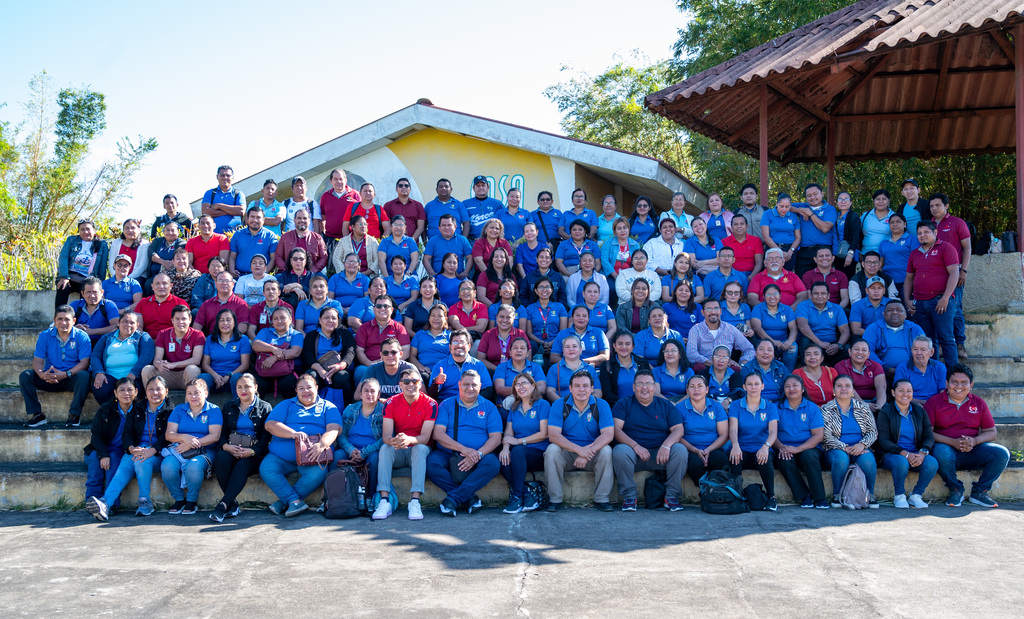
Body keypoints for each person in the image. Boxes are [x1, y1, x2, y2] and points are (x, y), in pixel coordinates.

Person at [84, 376, 173, 520]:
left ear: (166, 391)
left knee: (140, 461)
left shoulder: (171, 411)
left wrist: (151, 450)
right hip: (137, 450)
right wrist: (131, 448)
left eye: (158, 389)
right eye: (151, 389)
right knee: (124, 465)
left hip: (158, 452)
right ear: (145, 391)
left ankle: (145, 502)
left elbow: (167, 437)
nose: (154, 392)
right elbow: (127, 433)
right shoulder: (138, 408)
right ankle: (106, 503)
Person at [925, 364, 1010, 508]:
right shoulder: (934, 402)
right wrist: (952, 442)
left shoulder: (979, 403)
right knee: (940, 452)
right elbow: (927, 433)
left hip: (973, 450)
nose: (959, 386)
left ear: (971, 385)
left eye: (964, 382)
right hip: (947, 451)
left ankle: (980, 492)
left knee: (1002, 453)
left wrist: (974, 441)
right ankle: (955, 489)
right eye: (954, 382)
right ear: (946, 383)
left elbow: (991, 432)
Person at [260, 373, 343, 517]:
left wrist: (322, 445)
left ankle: (287, 501)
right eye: (301, 388)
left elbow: (334, 429)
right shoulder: (286, 404)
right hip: (281, 456)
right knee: (267, 469)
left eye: (309, 387)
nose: (306, 391)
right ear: (296, 391)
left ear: (317, 388)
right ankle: (293, 500)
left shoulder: (328, 407)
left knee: (318, 473)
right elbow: (270, 425)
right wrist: (292, 433)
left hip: (312, 456)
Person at [428, 370, 503, 516]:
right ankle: (469, 498)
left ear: (480, 386)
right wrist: (464, 449)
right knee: (431, 463)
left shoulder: (489, 407)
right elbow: (438, 433)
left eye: (474, 385)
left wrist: (478, 454)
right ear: (459, 385)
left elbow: (496, 437)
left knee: (493, 464)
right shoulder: (447, 405)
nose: (470, 388)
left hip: (480, 453)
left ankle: (454, 499)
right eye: (466, 384)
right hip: (449, 452)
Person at [612, 370, 687, 511]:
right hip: (633, 455)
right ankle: (629, 497)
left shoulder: (665, 405)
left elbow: (678, 429)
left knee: (680, 450)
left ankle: (671, 496)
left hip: (660, 455)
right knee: (620, 450)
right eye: (640, 384)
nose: (644, 388)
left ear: (654, 387)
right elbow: (616, 430)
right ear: (634, 387)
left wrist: (666, 446)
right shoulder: (624, 404)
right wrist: (635, 446)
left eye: (648, 384)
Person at [544, 370, 615, 512]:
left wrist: (587, 452)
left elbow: (608, 434)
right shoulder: (559, 404)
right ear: (570, 388)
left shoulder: (601, 405)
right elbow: (553, 435)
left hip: (591, 454)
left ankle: (602, 498)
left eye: (585, 386)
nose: (581, 390)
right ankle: (555, 499)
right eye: (577, 386)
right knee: (551, 450)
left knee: (606, 450)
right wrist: (578, 450)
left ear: (592, 388)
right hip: (568, 454)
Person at [372, 369, 437, 521]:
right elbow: (386, 436)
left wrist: (409, 439)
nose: (411, 385)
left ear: (420, 384)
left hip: (419, 446)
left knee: (420, 448)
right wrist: (397, 440)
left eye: (414, 381)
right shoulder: (390, 402)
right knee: (385, 448)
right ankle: (384, 500)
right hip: (400, 447)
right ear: (400, 384)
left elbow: (425, 437)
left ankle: (415, 501)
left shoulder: (431, 404)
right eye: (406, 382)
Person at [210, 373, 273, 522]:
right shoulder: (229, 406)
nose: (243, 390)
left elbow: (266, 437)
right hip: (232, 449)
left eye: (247, 386)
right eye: (239, 387)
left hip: (254, 453)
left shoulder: (265, 407)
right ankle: (232, 504)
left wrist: (252, 451)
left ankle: (223, 505)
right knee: (220, 459)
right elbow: (222, 433)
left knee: (242, 466)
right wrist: (226, 446)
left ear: (255, 388)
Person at [160, 378, 223, 515]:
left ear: (205, 393)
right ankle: (178, 499)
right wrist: (184, 438)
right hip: (180, 448)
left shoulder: (214, 410)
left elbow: (214, 436)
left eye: (197, 392)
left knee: (194, 466)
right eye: (189, 393)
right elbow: (169, 434)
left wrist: (191, 443)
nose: (193, 396)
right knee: (167, 466)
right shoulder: (179, 410)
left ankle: (191, 501)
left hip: (205, 450)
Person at [905, 220, 960, 367]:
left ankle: (952, 376)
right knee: (928, 342)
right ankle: (934, 375)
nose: (922, 235)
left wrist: (946, 298)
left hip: (940, 301)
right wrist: (907, 300)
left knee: (946, 338)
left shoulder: (946, 248)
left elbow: (955, 273)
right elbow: (909, 279)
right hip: (920, 303)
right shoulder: (914, 254)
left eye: (926, 232)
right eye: (920, 233)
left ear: (935, 233)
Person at [875, 379, 937, 509]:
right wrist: (905, 454)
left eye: (909, 391)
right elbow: (883, 440)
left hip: (915, 453)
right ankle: (899, 495)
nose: (905, 394)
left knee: (932, 463)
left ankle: (916, 495)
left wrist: (922, 453)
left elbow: (929, 436)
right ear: (893, 392)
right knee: (901, 462)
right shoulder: (886, 412)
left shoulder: (919, 411)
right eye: (901, 390)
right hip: (891, 454)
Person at [821, 375, 879, 508]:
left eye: (847, 386)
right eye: (839, 386)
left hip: (860, 447)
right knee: (841, 459)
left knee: (868, 460)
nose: (843, 389)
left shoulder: (863, 407)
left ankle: (870, 494)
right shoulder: (826, 409)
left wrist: (862, 444)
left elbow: (872, 431)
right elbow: (826, 435)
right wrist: (844, 447)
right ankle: (838, 495)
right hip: (835, 449)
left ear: (853, 391)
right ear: (834, 390)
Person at [498, 374, 550, 513]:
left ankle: (515, 496)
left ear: (533, 386)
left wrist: (518, 441)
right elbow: (509, 433)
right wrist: (505, 448)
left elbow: (544, 433)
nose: (520, 387)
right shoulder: (514, 408)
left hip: (538, 452)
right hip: (518, 454)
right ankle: (526, 493)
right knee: (503, 458)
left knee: (518, 451)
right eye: (517, 384)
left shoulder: (542, 404)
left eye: (524, 383)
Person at [728, 372, 780, 511]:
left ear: (762, 386)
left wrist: (766, 446)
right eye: (749, 384)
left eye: (756, 384)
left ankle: (771, 498)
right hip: (742, 447)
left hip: (761, 447)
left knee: (765, 457)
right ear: (744, 386)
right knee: (734, 457)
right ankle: (737, 496)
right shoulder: (736, 405)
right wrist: (735, 445)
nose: (753, 387)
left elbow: (773, 432)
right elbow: (732, 429)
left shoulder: (770, 406)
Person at [774, 375, 828, 508]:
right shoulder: (776, 407)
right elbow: (771, 433)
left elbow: (818, 435)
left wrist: (798, 449)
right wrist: (782, 447)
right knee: (783, 459)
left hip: (809, 447)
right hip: (784, 446)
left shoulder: (812, 407)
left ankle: (820, 498)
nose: (791, 389)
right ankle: (804, 496)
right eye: (787, 386)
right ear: (784, 390)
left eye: (795, 386)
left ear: (803, 389)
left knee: (809, 457)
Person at [83, 377, 136, 510]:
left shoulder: (139, 411)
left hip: (121, 451)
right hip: (99, 448)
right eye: (121, 390)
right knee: (95, 461)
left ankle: (110, 505)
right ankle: (92, 502)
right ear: (115, 393)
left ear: (136, 391)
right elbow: (96, 435)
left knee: (113, 465)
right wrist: (103, 454)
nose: (126, 393)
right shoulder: (105, 409)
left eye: (130, 390)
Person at [929, 193, 972, 356]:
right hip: (935, 273)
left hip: (955, 271)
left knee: (956, 308)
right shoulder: (929, 225)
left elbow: (967, 248)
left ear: (946, 206)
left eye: (937, 205)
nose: (934, 208)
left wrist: (964, 270)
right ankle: (939, 345)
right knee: (937, 307)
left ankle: (960, 344)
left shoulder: (957, 223)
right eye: (931, 206)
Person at [677, 374, 730, 489]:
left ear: (707, 389)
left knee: (720, 460)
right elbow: (677, 435)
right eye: (692, 386)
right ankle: (705, 491)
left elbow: (724, 434)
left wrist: (708, 450)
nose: (696, 390)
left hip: (713, 447)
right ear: (687, 390)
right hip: (690, 449)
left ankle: (717, 490)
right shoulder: (680, 408)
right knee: (694, 465)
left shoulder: (716, 406)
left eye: (700, 386)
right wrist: (696, 450)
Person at [90, 311, 154, 404]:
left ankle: (129, 415)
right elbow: (95, 356)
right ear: (118, 323)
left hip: (134, 376)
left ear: (137, 325)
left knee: (132, 392)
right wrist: (99, 372)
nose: (128, 325)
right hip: (110, 375)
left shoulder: (143, 337)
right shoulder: (107, 337)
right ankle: (111, 415)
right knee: (101, 389)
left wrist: (133, 374)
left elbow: (147, 356)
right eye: (124, 321)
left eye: (132, 322)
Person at [338, 378, 385, 502]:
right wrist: (350, 450)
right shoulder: (350, 410)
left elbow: (385, 438)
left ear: (378, 394)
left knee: (375, 458)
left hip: (371, 450)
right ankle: (333, 496)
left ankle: (370, 496)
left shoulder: (384, 412)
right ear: (360, 394)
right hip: (351, 449)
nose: (369, 394)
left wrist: (364, 453)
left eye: (373, 391)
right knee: (337, 455)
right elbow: (341, 435)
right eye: (366, 391)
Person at [141, 304, 204, 390]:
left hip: (186, 375)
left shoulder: (198, 335)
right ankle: (151, 401)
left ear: (190, 320)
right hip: (167, 374)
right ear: (172, 320)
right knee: (147, 370)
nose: (180, 322)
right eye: (177, 319)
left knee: (192, 369)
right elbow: (157, 358)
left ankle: (189, 402)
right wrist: (159, 364)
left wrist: (174, 365)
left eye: (184, 319)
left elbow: (196, 360)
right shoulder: (163, 334)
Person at [686, 298, 755, 372]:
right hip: (705, 366)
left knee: (736, 369)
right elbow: (691, 353)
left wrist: (742, 364)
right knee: (698, 368)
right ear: (702, 312)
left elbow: (749, 349)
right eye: (709, 309)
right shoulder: (695, 329)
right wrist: (713, 363)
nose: (713, 312)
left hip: (726, 367)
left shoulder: (730, 329)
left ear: (720, 311)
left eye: (716, 308)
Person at [55, 219, 109, 309]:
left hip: (87, 279)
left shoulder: (101, 244)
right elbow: (63, 257)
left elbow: (102, 267)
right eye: (82, 230)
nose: (85, 232)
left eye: (88, 229)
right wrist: (64, 276)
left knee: (87, 293)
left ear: (94, 230)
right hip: (69, 277)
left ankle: (81, 320)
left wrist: (100, 284)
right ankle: (58, 318)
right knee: (63, 288)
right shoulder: (72, 240)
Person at [251, 307, 303, 399]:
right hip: (265, 371)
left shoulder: (296, 334)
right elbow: (255, 345)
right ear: (272, 322)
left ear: (290, 320)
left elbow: (295, 352)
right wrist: (272, 349)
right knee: (256, 384)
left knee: (288, 383)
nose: (279, 321)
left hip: (288, 372)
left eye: (282, 318)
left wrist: (274, 358)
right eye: (275, 319)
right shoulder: (266, 332)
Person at [429, 329, 494, 401]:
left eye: (462, 342)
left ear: (469, 347)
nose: (459, 345)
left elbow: (488, 390)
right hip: (447, 404)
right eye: (455, 342)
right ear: (450, 347)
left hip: (472, 403)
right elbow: (432, 396)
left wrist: (472, 402)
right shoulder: (440, 366)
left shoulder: (478, 365)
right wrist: (436, 383)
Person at [863, 301, 926, 372]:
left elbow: (924, 350)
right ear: (884, 313)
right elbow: (867, 351)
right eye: (890, 310)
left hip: (911, 370)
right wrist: (884, 368)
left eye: (899, 310)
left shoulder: (915, 328)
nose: (895, 312)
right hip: (880, 371)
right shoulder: (873, 328)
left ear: (905, 314)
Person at [789, 183, 837, 277]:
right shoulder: (803, 206)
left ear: (822, 194)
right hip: (804, 252)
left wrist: (810, 214)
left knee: (822, 282)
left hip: (823, 251)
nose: (813, 197)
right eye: (809, 195)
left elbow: (825, 228)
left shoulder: (830, 209)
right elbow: (784, 205)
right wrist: (801, 211)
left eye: (815, 194)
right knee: (802, 281)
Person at [199, 308, 251, 395]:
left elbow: (245, 364)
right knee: (202, 378)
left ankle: (238, 407)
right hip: (215, 377)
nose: (225, 323)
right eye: (221, 320)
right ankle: (200, 408)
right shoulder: (210, 339)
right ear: (217, 323)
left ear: (234, 322)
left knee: (237, 378)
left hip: (233, 376)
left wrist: (229, 375)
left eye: (228, 320)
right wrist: (215, 376)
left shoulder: (243, 339)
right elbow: (205, 364)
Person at [796, 282, 850, 365]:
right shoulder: (803, 305)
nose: (820, 296)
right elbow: (802, 325)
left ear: (828, 295)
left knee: (848, 349)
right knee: (804, 341)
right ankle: (807, 371)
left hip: (831, 344)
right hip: (812, 343)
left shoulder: (837, 308)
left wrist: (838, 345)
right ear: (810, 295)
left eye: (823, 293)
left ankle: (834, 371)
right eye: (816, 293)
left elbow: (845, 330)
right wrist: (820, 343)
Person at [355, 295, 410, 373]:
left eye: (386, 306)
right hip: (369, 365)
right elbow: (359, 351)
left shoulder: (399, 328)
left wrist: (390, 363)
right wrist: (370, 364)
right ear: (374, 309)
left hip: (393, 364)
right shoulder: (364, 328)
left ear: (391, 309)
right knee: (360, 372)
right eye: (378, 306)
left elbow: (406, 351)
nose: (382, 308)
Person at [750, 284, 799, 370]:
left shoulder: (787, 309)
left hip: (783, 343)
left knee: (793, 347)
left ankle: (788, 374)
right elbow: (757, 328)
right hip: (763, 342)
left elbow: (793, 328)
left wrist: (789, 342)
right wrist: (773, 342)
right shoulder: (758, 308)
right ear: (764, 297)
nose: (772, 297)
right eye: (768, 294)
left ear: (780, 296)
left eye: (775, 294)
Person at [545, 335, 601, 401]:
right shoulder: (554, 369)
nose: (571, 349)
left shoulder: (590, 369)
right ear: (563, 350)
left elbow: (597, 391)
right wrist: (563, 405)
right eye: (567, 347)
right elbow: (550, 391)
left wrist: (588, 404)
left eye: (574, 346)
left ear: (580, 349)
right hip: (563, 407)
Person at [835, 340, 887, 412]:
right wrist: (863, 405)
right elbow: (847, 388)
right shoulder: (841, 366)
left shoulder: (875, 365)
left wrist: (879, 405)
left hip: (874, 401)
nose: (860, 352)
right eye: (856, 349)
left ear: (868, 354)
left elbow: (881, 386)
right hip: (851, 401)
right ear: (850, 351)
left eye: (864, 350)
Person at [894, 336, 947, 406]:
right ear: (911, 351)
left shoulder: (939, 367)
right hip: (910, 405)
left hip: (935, 406)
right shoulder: (902, 368)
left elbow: (943, 393)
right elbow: (900, 395)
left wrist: (931, 405)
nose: (919, 353)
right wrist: (921, 404)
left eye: (923, 349)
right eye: (915, 349)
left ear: (931, 352)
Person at [525, 277, 568, 361]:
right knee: (530, 344)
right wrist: (542, 343)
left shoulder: (560, 307)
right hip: (537, 344)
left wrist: (552, 343)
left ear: (552, 290)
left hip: (556, 342)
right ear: (536, 291)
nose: (544, 290)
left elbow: (563, 331)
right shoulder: (529, 309)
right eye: (541, 287)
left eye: (547, 287)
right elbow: (529, 333)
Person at [274, 208, 328, 274]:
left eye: (305, 218)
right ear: (294, 220)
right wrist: (287, 270)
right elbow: (278, 256)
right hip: (288, 273)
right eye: (299, 218)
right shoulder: (285, 237)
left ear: (309, 220)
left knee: (324, 281)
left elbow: (324, 258)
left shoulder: (317, 238)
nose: (302, 220)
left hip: (312, 273)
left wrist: (312, 271)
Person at [598, 330, 650, 400]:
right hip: (618, 406)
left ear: (633, 347)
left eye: (627, 344)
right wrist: (624, 405)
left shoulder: (642, 363)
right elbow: (607, 393)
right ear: (614, 346)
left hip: (641, 405)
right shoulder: (607, 365)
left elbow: (648, 387)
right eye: (620, 344)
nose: (624, 347)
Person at [494, 337, 547, 404]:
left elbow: (542, 388)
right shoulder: (501, 367)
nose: (518, 350)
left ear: (528, 353)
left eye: (522, 348)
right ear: (510, 352)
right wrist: (523, 390)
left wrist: (522, 391)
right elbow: (499, 389)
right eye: (515, 348)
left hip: (531, 402)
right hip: (508, 404)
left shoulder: (536, 367)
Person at [316, 169, 361, 248]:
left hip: (352, 238)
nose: (338, 181)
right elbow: (323, 217)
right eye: (335, 179)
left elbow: (361, 216)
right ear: (331, 181)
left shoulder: (355, 195)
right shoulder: (325, 196)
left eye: (341, 179)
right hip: (330, 239)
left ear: (345, 180)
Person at [879, 212, 918, 301]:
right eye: (892, 222)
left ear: (905, 224)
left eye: (898, 222)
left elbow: (917, 261)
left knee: (908, 309)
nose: (895, 224)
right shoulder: (883, 243)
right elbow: (881, 265)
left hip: (907, 281)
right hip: (888, 282)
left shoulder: (912, 239)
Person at [363, 337, 418, 402]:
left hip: (404, 407)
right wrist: (380, 400)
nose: (390, 355)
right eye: (385, 353)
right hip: (380, 407)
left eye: (393, 352)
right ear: (381, 355)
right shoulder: (373, 369)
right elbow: (358, 395)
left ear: (400, 354)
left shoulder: (410, 368)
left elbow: (422, 395)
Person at [229, 207, 278, 278]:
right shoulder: (238, 234)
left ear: (263, 220)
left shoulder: (270, 236)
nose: (255, 220)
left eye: (258, 217)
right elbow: (232, 256)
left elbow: (273, 259)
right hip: (239, 276)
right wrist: (232, 270)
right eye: (252, 217)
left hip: (261, 277)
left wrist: (265, 273)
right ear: (247, 218)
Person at [68, 277, 119, 344]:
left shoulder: (109, 305)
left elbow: (116, 327)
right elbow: (61, 324)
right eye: (88, 292)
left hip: (103, 343)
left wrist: (92, 331)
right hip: (79, 343)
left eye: (95, 292)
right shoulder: (75, 305)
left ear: (102, 293)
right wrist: (75, 329)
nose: (92, 295)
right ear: (82, 294)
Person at [601, 217, 642, 301]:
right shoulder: (608, 243)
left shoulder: (635, 245)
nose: (622, 230)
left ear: (628, 229)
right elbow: (604, 261)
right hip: (612, 275)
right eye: (619, 228)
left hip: (629, 275)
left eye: (625, 228)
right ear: (615, 231)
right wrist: (615, 275)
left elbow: (638, 262)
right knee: (612, 289)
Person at [479, 304, 529, 370]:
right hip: (493, 371)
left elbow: (528, 357)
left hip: (516, 372)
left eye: (508, 317)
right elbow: (481, 358)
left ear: (513, 319)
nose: (504, 320)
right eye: (501, 317)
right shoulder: (488, 334)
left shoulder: (520, 334)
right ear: (496, 317)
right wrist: (498, 369)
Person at [760, 193, 802, 271]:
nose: (784, 209)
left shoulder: (793, 216)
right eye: (781, 206)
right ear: (777, 204)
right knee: (771, 274)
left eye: (787, 206)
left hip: (789, 251)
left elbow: (798, 237)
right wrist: (779, 252)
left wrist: (790, 251)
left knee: (787, 276)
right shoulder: (767, 214)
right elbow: (766, 237)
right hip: (772, 248)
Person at [423, 214, 473, 278]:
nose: (446, 228)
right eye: (443, 225)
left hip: (458, 278)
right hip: (438, 278)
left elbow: (470, 257)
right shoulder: (433, 241)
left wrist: (466, 272)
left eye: (449, 225)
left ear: (455, 227)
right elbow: (426, 258)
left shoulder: (463, 240)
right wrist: (432, 273)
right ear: (439, 227)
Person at [200, 164, 245, 232]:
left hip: (235, 235)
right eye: (222, 175)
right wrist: (232, 211)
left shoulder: (238, 194)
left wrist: (219, 206)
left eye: (228, 175)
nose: (225, 177)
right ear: (217, 176)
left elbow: (241, 211)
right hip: (214, 236)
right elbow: (205, 212)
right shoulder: (210, 193)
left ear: (232, 177)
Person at [109, 218, 150, 286]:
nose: (130, 230)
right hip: (117, 277)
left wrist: (127, 280)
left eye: (133, 228)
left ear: (139, 230)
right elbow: (111, 264)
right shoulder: (116, 243)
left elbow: (143, 266)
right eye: (127, 228)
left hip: (137, 278)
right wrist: (117, 277)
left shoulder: (145, 244)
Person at [460, 176, 501, 240]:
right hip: (472, 241)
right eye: (478, 186)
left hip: (491, 241)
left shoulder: (497, 204)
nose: (481, 187)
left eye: (483, 185)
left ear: (488, 187)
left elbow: (504, 221)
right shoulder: (465, 204)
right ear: (474, 188)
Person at [860, 189, 894, 255]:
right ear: (874, 201)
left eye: (884, 199)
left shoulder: (894, 217)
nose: (880, 201)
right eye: (878, 199)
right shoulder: (866, 215)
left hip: (887, 255)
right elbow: (856, 233)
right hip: (865, 254)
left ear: (888, 201)